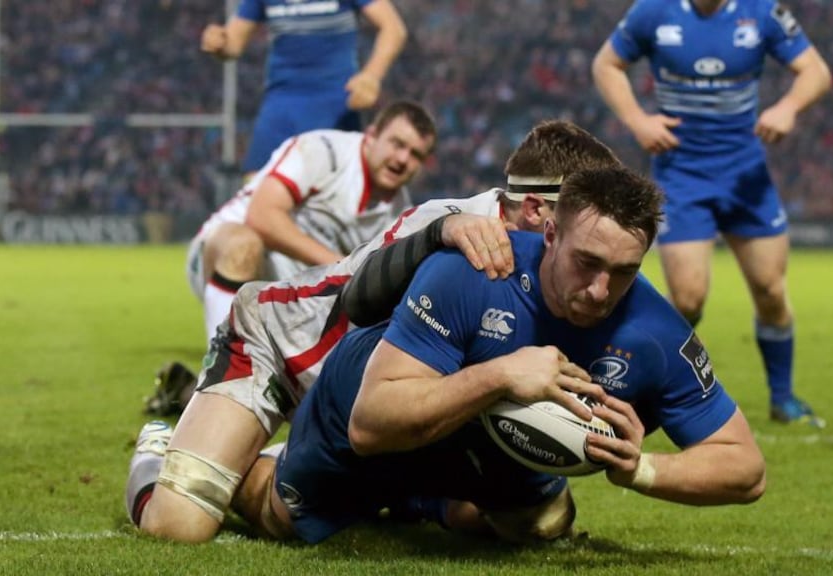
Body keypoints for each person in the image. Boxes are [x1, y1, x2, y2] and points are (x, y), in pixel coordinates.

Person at [125, 121, 627, 543]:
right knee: (179, 527)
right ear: (539, 210)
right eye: (586, 211)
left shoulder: (560, 265)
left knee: (527, 521)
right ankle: (161, 448)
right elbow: (359, 302)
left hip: (367, 394)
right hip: (284, 348)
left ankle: (402, 492)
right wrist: (436, 236)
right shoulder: (454, 225)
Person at [227, 166, 766, 544]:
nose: (601, 289)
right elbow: (372, 425)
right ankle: (205, 456)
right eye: (587, 262)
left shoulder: (656, 332)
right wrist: (502, 375)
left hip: (478, 444)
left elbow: (745, 469)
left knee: (542, 527)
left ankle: (429, 501)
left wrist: (642, 469)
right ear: (550, 233)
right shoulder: (474, 271)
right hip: (366, 406)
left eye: (624, 271)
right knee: (282, 519)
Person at [591, 0, 833, 427]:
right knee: (687, 298)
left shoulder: (761, 12)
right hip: (682, 177)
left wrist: (788, 108)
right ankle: (644, 389)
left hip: (746, 176)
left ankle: (783, 399)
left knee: (771, 291)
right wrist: (637, 120)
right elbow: (606, 64)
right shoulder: (654, 11)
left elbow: (816, 70)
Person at [185, 100, 436, 345]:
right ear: (371, 136)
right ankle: (217, 371)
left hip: (288, 289)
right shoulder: (323, 150)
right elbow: (261, 217)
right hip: (221, 254)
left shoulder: (401, 213)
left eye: (415, 154)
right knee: (243, 246)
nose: (403, 159)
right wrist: (343, 267)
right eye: (397, 144)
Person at [201, 0, 408, 178]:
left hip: (335, 105)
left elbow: (393, 28)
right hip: (281, 105)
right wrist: (220, 42)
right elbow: (234, 43)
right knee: (255, 190)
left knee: (336, 193)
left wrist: (372, 76)